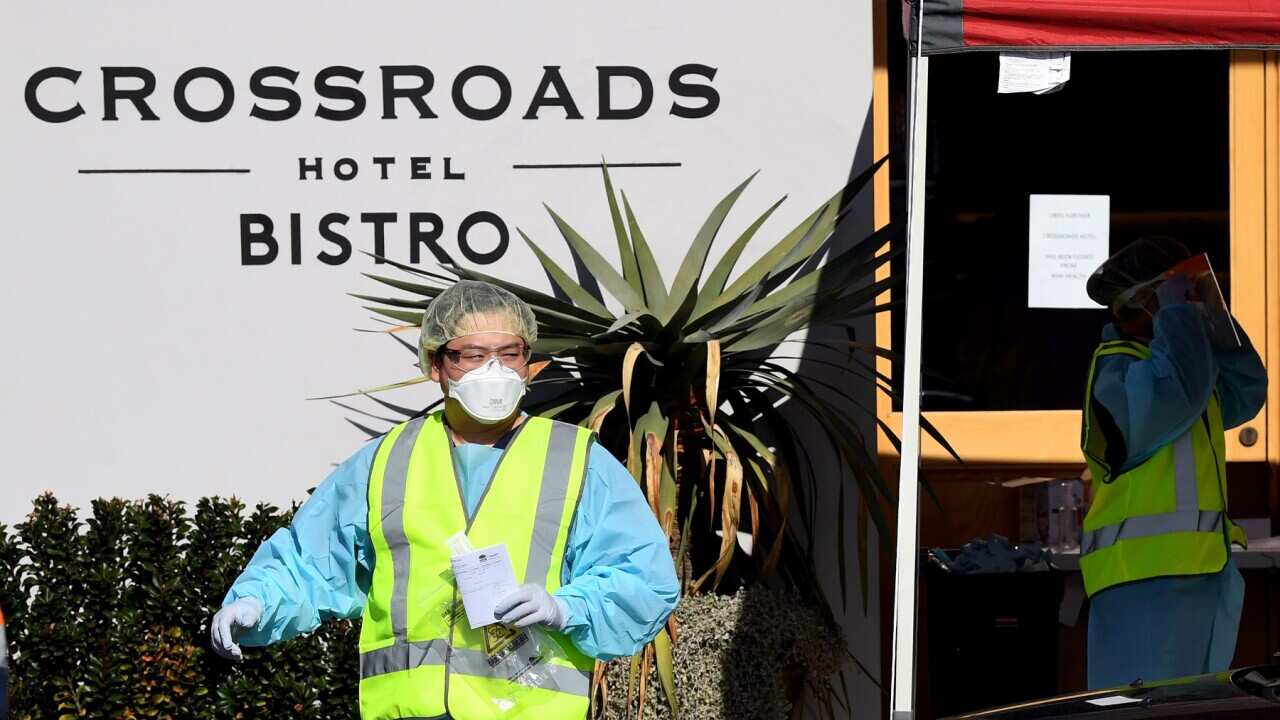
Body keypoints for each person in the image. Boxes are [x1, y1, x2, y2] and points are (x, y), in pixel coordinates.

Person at [211, 280, 680, 719]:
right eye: (471, 355)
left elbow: (645, 578)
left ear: (528, 362)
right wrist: (257, 603)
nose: (493, 370)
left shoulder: (579, 461)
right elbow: (310, 562)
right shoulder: (384, 461)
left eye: (508, 353)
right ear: (435, 365)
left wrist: (568, 607)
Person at [1079, 237, 1267, 689]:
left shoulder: (1181, 364)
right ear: (1146, 301)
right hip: (1142, 584)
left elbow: (1246, 391)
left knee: (1193, 709)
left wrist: (1214, 322)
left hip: (1194, 575)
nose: (1192, 303)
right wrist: (1178, 317)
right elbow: (1176, 392)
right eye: (1182, 294)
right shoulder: (1119, 369)